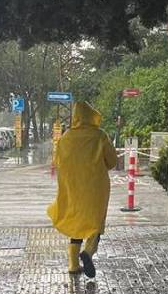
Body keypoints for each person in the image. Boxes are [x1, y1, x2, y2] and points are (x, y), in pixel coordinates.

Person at [47, 102, 117, 278]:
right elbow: (112, 161)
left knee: (76, 224)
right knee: (95, 223)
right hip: (96, 188)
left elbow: (58, 161)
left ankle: (72, 264)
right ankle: (88, 252)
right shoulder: (100, 136)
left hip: (74, 187)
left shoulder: (66, 137)